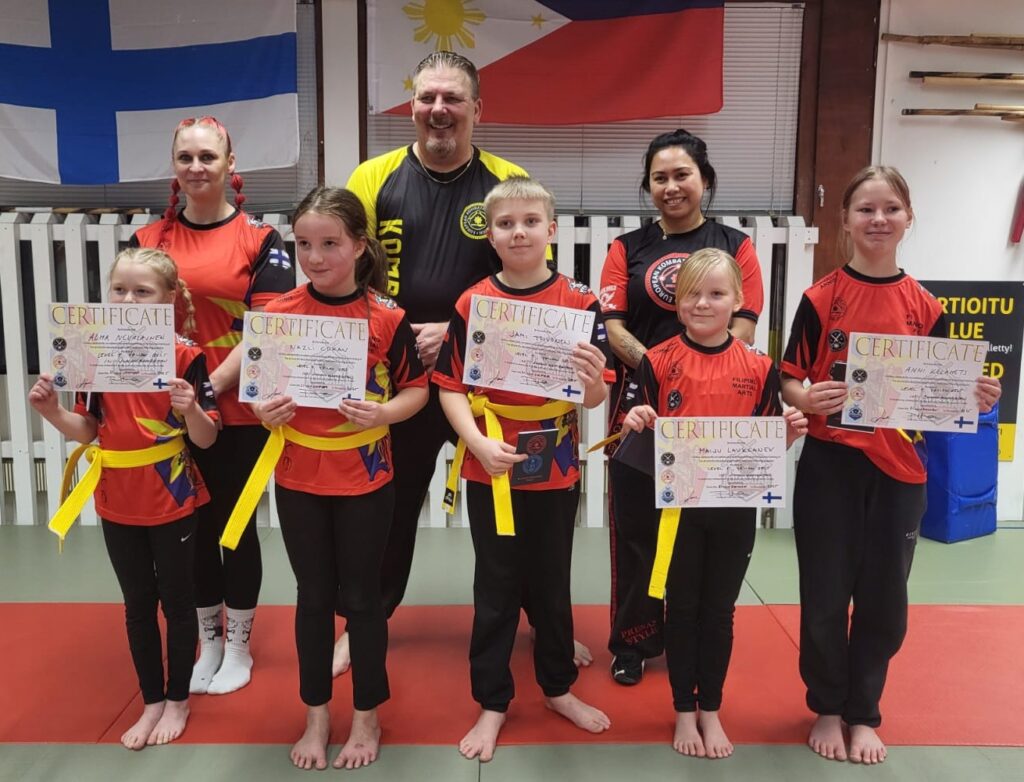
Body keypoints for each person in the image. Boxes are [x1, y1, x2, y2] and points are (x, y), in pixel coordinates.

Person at [338, 51, 592, 674]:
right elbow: (349, 272)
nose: (438, 109)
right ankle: (367, 620)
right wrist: (401, 334)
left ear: (477, 108)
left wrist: (454, 332)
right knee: (389, 508)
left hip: (493, 385)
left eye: (452, 98)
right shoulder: (372, 177)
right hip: (400, 375)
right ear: (412, 107)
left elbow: (527, 280)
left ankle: (544, 623)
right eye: (427, 97)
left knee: (523, 506)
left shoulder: (507, 178)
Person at [780, 166, 1001, 765]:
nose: (878, 220)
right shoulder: (820, 298)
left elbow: (944, 395)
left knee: (884, 599)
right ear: (845, 219)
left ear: (908, 218)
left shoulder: (926, 306)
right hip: (830, 466)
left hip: (900, 473)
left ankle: (864, 712)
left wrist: (975, 396)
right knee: (825, 593)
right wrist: (807, 398)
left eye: (891, 209)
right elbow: (790, 377)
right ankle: (827, 705)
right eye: (866, 209)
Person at [433, 177, 613, 762]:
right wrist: (476, 444)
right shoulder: (473, 303)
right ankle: (492, 700)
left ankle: (557, 687)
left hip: (553, 461)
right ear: (490, 234)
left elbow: (595, 397)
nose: (518, 232)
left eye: (531, 222)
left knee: (552, 581)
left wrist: (592, 383)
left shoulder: (580, 302)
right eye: (506, 223)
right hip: (490, 461)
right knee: (496, 585)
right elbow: (449, 386)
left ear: (551, 230)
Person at [249, 186, 428, 770]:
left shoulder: (387, 317)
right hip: (299, 476)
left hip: (365, 479)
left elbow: (417, 390)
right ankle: (316, 714)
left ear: (359, 246)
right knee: (312, 597)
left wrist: (384, 413)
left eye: (330, 244)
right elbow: (256, 393)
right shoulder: (278, 315)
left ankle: (368, 714)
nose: (315, 257)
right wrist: (264, 411)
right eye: (304, 244)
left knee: (363, 599)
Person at [619, 248, 806, 759]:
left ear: (738, 300)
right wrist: (635, 422)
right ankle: (684, 708)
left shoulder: (760, 367)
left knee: (719, 612)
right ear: (677, 302)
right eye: (692, 294)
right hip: (677, 510)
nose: (703, 303)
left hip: (733, 511)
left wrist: (787, 436)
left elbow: (762, 449)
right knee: (681, 609)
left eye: (717, 294)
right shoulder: (657, 361)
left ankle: (712, 710)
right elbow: (643, 440)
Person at [131, 116, 295, 695]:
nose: (197, 167)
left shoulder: (262, 239)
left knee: (234, 528)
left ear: (230, 164)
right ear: (174, 167)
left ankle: (241, 647)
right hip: (167, 412)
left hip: (239, 412)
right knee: (190, 529)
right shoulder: (148, 240)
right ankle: (211, 641)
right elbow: (131, 326)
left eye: (208, 156)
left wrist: (206, 389)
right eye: (186, 158)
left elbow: (265, 329)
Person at [30, 248, 219, 749]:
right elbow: (88, 430)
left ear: (169, 298)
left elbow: (206, 439)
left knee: (178, 602)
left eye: (142, 291)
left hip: (171, 493)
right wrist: (51, 412)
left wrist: (190, 409)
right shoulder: (91, 350)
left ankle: (178, 699)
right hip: (116, 497)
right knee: (137, 603)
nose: (128, 300)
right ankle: (151, 700)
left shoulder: (186, 356)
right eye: (119, 290)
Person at [599, 129, 765, 685]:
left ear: (705, 179)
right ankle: (634, 640)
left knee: (700, 534)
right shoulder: (626, 248)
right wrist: (663, 369)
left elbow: (743, 328)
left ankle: (691, 633)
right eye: (660, 177)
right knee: (636, 532)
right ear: (648, 186)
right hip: (641, 409)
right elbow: (613, 328)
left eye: (682, 175)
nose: (671, 186)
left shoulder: (736, 244)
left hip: (716, 413)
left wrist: (692, 376)